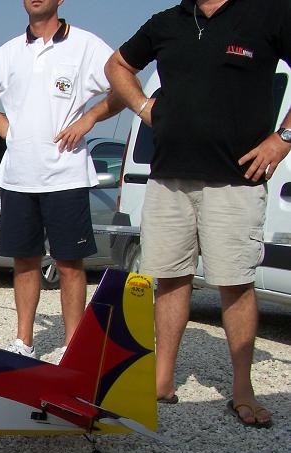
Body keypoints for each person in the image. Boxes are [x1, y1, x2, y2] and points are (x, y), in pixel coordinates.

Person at [105, 0, 291, 426]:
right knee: (170, 279)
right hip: (169, 176)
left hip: (236, 178)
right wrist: (143, 107)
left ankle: (242, 391)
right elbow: (116, 65)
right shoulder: (166, 22)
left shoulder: (268, 14)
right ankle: (161, 381)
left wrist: (282, 139)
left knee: (235, 283)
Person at [0, 0, 123, 362]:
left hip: (66, 174)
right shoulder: (10, 51)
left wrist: (90, 118)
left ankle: (72, 348)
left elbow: (123, 86)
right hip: (18, 175)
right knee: (24, 261)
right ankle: (24, 342)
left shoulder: (85, 45)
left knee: (69, 264)